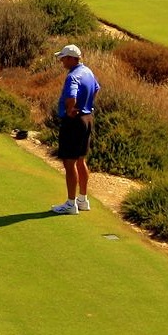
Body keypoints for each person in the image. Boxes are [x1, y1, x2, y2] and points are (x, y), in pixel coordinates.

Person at [51, 44, 100, 215]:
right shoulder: (88, 71)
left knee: (69, 163)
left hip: (73, 121)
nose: (62, 60)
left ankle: (71, 204)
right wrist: (87, 104)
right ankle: (83, 199)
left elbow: (71, 96)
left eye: (64, 58)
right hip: (87, 119)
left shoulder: (72, 76)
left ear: (72, 58)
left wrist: (71, 109)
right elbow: (96, 89)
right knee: (81, 160)